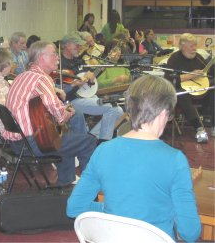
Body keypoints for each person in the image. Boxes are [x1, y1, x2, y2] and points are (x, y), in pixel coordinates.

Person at [67, 75, 201, 242]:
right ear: (164, 112)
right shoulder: (175, 160)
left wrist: (113, 211)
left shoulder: (103, 151)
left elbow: (74, 208)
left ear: (130, 109)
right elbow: (190, 232)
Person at [3, 41, 97, 186]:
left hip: (16, 142)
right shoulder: (42, 79)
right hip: (32, 143)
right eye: (53, 54)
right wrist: (68, 112)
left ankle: (65, 183)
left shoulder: (22, 76)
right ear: (41, 58)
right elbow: (60, 116)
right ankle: (87, 191)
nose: (58, 58)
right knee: (88, 141)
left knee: (64, 136)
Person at [59, 33, 124, 144]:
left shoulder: (78, 60)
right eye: (77, 45)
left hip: (84, 96)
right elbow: (61, 89)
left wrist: (92, 77)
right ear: (67, 45)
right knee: (113, 108)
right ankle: (102, 142)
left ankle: (93, 136)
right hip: (71, 101)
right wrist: (76, 84)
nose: (80, 48)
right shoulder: (60, 64)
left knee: (118, 110)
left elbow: (92, 74)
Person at [165, 33, 214, 142]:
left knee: (213, 88)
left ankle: (214, 126)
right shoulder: (174, 58)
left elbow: (209, 71)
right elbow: (169, 79)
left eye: (195, 46)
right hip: (183, 92)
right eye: (192, 46)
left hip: (200, 90)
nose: (194, 49)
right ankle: (199, 128)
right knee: (182, 94)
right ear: (183, 46)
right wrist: (191, 75)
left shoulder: (198, 57)